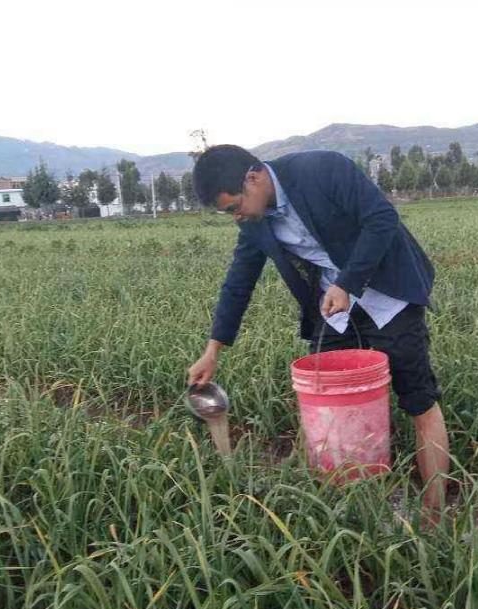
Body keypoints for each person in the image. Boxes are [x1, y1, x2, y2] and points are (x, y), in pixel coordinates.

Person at [186, 144, 450, 517]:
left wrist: (348, 282)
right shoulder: (255, 222)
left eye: (234, 207)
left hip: (388, 295)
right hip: (335, 308)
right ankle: (352, 505)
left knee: (418, 399)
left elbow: (382, 219)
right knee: (331, 402)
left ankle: (434, 513)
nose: (236, 217)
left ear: (253, 177)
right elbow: (238, 281)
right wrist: (214, 349)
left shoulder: (322, 170)